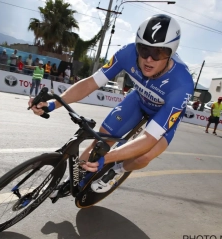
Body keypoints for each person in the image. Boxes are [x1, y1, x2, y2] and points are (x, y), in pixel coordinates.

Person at [29, 14, 194, 195]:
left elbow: (148, 139)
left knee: (144, 156)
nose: (149, 59)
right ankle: (73, 179)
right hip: (138, 100)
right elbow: (91, 83)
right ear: (136, 45)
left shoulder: (182, 85)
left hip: (163, 112)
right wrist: (54, 104)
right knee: (101, 141)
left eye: (159, 52)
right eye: (144, 49)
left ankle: (117, 171)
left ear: (171, 52)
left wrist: (107, 159)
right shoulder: (127, 53)